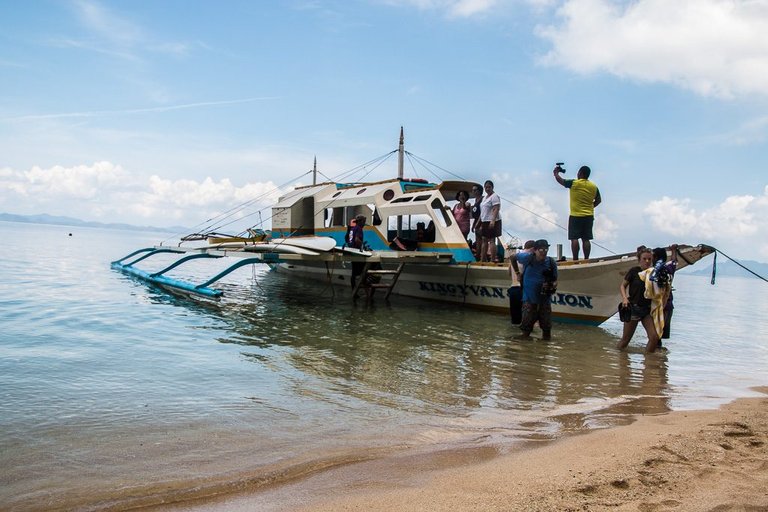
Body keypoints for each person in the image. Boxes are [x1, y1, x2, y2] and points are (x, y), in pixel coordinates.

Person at [511, 239, 558, 340]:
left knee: (546, 330)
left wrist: (552, 285)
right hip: (529, 299)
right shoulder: (528, 258)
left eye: (546, 250)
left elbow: (555, 280)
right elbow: (513, 257)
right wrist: (517, 273)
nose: (544, 252)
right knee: (526, 331)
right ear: (535, 250)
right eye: (541, 250)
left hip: (544, 300)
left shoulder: (550, 262)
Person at [553, 164, 601, 260]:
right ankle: (586, 259)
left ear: (580, 173)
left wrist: (556, 173)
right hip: (588, 216)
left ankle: (575, 259)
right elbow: (598, 200)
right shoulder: (594, 186)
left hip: (575, 215)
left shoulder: (574, 183)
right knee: (586, 239)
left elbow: (561, 181)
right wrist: (591, 207)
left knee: (574, 238)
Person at [617, 247, 660, 353]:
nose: (647, 261)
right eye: (644, 259)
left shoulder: (654, 273)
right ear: (639, 259)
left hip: (647, 310)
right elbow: (622, 286)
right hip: (633, 309)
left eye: (649, 259)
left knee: (654, 338)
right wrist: (625, 299)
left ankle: (648, 363)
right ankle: (618, 359)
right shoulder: (634, 271)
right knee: (625, 341)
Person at [651, 245, 679, 346]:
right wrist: (674, 250)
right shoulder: (669, 268)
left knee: (655, 334)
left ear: (656, 258)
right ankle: (658, 358)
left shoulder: (655, 271)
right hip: (668, 305)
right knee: (658, 334)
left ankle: (654, 357)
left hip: (660, 306)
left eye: (652, 257)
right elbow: (674, 261)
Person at [478, 180, 501, 262]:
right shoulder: (484, 198)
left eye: (489, 187)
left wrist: (493, 220)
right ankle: (483, 258)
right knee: (484, 239)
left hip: (492, 220)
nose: (487, 189)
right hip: (485, 220)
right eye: (486, 187)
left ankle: (493, 258)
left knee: (491, 240)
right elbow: (483, 211)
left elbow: (496, 208)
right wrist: (480, 223)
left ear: (492, 187)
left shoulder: (494, 196)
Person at [345, 214, 366, 291]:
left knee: (354, 273)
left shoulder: (352, 229)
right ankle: (364, 285)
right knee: (364, 270)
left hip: (351, 251)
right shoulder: (359, 229)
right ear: (360, 222)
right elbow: (357, 240)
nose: (364, 224)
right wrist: (363, 246)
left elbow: (347, 239)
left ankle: (354, 289)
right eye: (363, 222)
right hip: (357, 253)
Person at [469, 184, 483, 257]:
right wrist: (473, 224)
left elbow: (483, 213)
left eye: (475, 190)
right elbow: (475, 215)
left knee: (482, 240)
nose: (473, 192)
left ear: (479, 191)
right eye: (472, 190)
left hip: (482, 223)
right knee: (477, 240)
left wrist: (478, 223)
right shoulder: (476, 200)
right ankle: (478, 255)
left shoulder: (482, 199)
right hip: (476, 222)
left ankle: (482, 255)